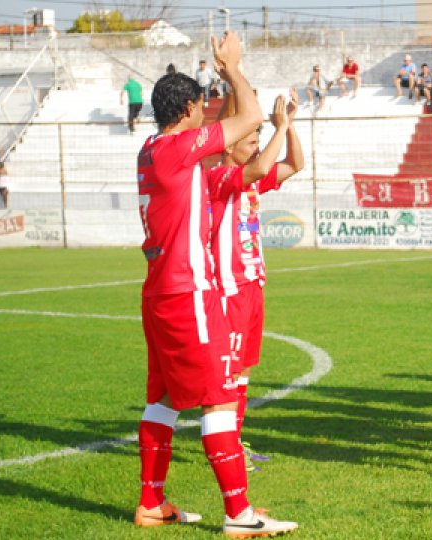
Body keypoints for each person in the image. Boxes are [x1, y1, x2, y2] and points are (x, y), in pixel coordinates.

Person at [133, 31, 296, 535]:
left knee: (160, 400)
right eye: (202, 106)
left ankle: (151, 504)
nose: (208, 114)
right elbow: (247, 118)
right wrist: (231, 68)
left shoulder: (152, 151)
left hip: (160, 291)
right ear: (187, 108)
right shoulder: (177, 150)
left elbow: (251, 149)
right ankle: (239, 514)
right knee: (220, 400)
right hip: (189, 293)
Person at [207, 89, 304, 475]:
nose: (257, 147)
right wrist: (278, 125)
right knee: (229, 375)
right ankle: (224, 447)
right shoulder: (219, 178)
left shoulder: (250, 183)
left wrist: (290, 128)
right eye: (250, 141)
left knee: (244, 371)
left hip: (253, 287)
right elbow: (264, 166)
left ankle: (235, 445)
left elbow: (295, 164)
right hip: (229, 290)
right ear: (228, 148)